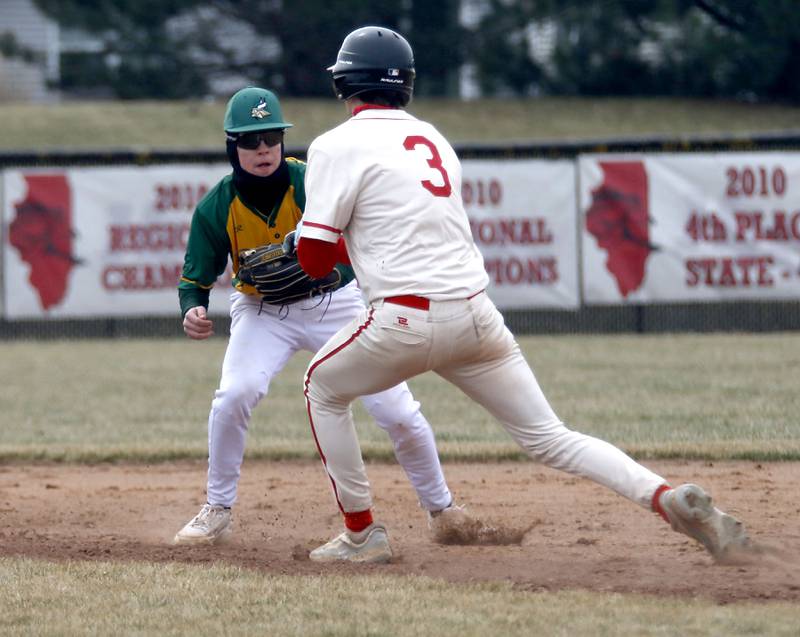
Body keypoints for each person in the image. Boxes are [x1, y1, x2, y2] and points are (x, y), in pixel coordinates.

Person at [292, 26, 752, 564]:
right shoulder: (433, 138)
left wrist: (303, 241)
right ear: (406, 84)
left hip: (404, 321)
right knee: (552, 438)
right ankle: (666, 498)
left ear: (345, 82)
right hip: (477, 317)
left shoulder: (333, 144)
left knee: (321, 389)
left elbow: (316, 261)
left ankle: (362, 534)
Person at [173, 86, 457, 546]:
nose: (263, 148)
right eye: (250, 140)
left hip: (336, 301)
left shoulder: (313, 180)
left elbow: (362, 234)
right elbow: (194, 280)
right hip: (262, 310)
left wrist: (344, 267)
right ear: (232, 146)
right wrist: (194, 310)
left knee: (396, 411)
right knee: (234, 395)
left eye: (271, 137)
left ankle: (443, 510)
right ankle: (217, 507)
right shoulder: (217, 205)